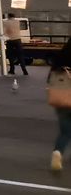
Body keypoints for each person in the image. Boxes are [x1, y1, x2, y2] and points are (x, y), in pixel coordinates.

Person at [48, 38, 71, 172]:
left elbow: (49, 79)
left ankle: (57, 153)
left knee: (65, 131)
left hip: (61, 98)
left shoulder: (60, 59)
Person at [4, 11, 29, 76]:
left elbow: (5, 31)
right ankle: (24, 70)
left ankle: (12, 69)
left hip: (10, 40)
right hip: (18, 40)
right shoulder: (17, 22)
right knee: (20, 55)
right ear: (14, 16)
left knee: (10, 56)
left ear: (8, 16)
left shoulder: (6, 22)